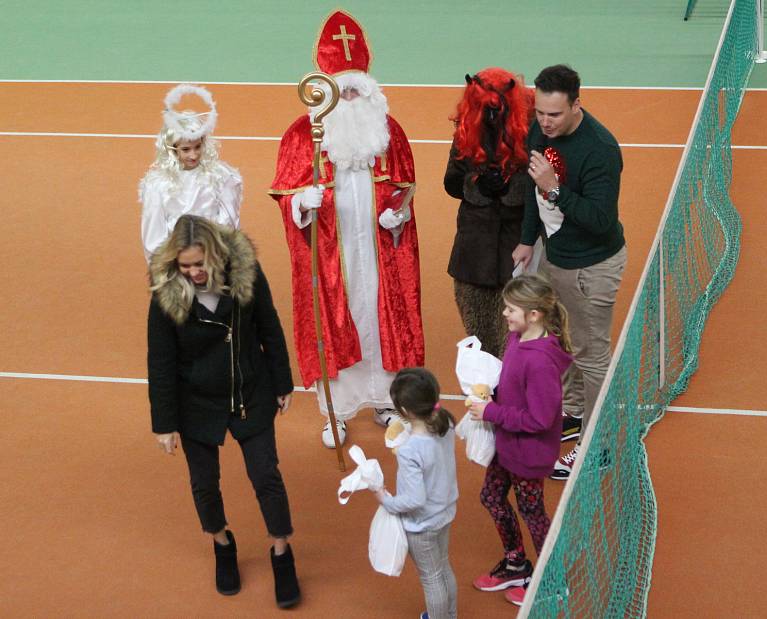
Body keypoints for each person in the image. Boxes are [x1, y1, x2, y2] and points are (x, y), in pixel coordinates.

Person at [269, 10, 424, 448]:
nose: (352, 98)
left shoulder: (388, 133)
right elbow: (285, 195)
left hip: (379, 256)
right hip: (333, 259)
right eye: (345, 90)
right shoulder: (304, 136)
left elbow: (404, 187)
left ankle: (388, 400)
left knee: (380, 319)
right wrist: (301, 202)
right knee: (335, 321)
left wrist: (399, 217)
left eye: (358, 89)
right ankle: (334, 411)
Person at [147, 215, 300, 608]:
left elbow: (269, 325)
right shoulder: (165, 293)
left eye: (200, 264)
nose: (194, 272)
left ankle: (282, 554)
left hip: (249, 391)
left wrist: (282, 381)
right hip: (195, 402)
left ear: (215, 255)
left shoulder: (246, 274)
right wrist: (164, 424)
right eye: (186, 266)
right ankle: (222, 543)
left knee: (266, 475)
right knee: (204, 483)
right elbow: (160, 362)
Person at [511, 64, 626, 478]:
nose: (544, 122)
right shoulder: (541, 130)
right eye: (540, 112)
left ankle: (596, 443)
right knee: (566, 341)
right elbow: (531, 188)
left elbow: (599, 219)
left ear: (577, 104)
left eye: (554, 114)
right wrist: (528, 238)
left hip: (592, 266)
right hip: (557, 259)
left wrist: (555, 188)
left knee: (592, 355)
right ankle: (575, 413)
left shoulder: (600, 149)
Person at [468, 274, 573, 607]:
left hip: (529, 454)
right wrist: (488, 393)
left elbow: (540, 419)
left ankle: (552, 578)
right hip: (507, 443)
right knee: (491, 497)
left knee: (533, 513)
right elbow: (510, 385)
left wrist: (491, 412)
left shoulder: (541, 361)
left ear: (534, 315)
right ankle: (516, 564)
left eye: (511, 309)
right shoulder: (517, 338)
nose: (504, 314)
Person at [444, 67, 534, 358]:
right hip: (474, 252)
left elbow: (540, 186)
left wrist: (510, 185)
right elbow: (452, 182)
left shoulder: (532, 133)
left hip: (514, 249)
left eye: (499, 110)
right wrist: (477, 184)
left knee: (515, 336)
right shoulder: (464, 133)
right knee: (479, 335)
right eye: (487, 110)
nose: (493, 117)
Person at [373, 368, 458, 619]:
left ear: (406, 412)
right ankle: (450, 615)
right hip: (444, 512)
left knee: (431, 578)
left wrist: (385, 499)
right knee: (443, 566)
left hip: (423, 524)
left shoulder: (410, 450)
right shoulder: (446, 423)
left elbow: (413, 499)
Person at [139, 83, 241, 262]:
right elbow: (154, 235)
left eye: (197, 147)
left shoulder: (221, 177)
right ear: (173, 150)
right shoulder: (157, 185)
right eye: (186, 149)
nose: (193, 155)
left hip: (212, 258)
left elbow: (228, 223)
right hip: (176, 261)